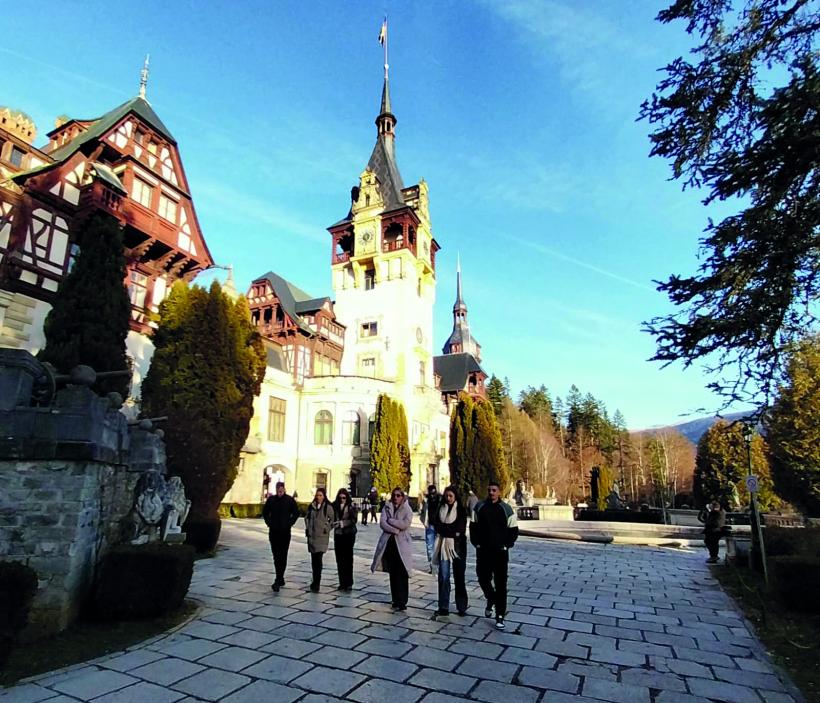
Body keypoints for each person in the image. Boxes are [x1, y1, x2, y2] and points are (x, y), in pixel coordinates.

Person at [470, 481, 519, 630]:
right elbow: (473, 527)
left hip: (500, 552)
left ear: (499, 492)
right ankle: (491, 598)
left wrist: (507, 545)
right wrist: (476, 543)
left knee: (501, 584)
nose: (491, 492)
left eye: (494, 490)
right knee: (482, 578)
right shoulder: (480, 507)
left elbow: (514, 530)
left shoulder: (506, 509)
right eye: (489, 490)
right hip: (483, 551)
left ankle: (500, 615)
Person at [371, 486, 414, 610]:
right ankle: (395, 599)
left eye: (398, 495)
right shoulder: (387, 506)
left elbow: (405, 524)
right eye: (394, 495)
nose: (396, 497)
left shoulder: (407, 509)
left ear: (402, 497)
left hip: (402, 544)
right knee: (393, 573)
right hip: (390, 543)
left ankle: (403, 601)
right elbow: (383, 523)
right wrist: (394, 529)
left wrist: (391, 521)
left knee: (403, 572)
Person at [432, 485, 469, 617]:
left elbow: (459, 529)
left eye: (451, 496)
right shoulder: (440, 509)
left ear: (455, 496)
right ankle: (443, 606)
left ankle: (462, 606)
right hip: (443, 547)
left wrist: (447, 530)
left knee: (459, 577)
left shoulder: (461, 510)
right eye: (446, 496)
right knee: (443, 576)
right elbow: (437, 525)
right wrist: (450, 530)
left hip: (458, 547)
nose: (448, 498)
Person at [262, 481, 300, 591]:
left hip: (285, 532)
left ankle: (278, 578)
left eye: (281, 490)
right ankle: (279, 577)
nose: (280, 492)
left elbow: (296, 513)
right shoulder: (271, 500)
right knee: (276, 555)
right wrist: (269, 523)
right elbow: (265, 513)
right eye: (278, 490)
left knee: (283, 555)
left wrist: (289, 523)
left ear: (284, 489)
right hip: (273, 532)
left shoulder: (289, 500)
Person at [305, 487, 335, 592]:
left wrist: (326, 528)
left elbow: (332, 520)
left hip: (321, 537)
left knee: (318, 560)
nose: (319, 497)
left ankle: (317, 582)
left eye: (321, 495)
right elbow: (306, 517)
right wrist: (308, 528)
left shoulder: (328, 507)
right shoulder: (311, 506)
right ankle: (314, 581)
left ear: (324, 496)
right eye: (317, 495)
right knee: (314, 561)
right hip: (312, 537)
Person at [332, 488, 358, 591]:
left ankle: (349, 582)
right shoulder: (335, 506)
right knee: (339, 559)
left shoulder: (351, 506)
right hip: (338, 534)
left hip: (349, 534)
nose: (342, 499)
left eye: (344, 497)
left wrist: (343, 523)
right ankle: (342, 582)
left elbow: (354, 520)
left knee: (348, 558)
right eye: (340, 497)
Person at [419, 484, 441, 572]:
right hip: (430, 526)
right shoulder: (426, 501)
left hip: (439, 526)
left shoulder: (440, 500)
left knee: (438, 546)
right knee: (430, 546)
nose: (432, 495)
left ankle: (438, 565)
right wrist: (424, 522)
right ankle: (432, 566)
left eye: (434, 493)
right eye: (431, 494)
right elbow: (423, 512)